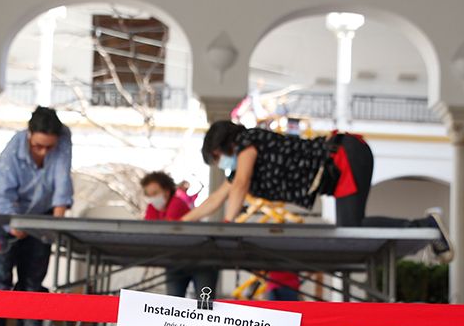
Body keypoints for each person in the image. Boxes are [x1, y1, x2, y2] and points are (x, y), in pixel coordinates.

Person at [0, 107, 73, 326]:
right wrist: (14, 223)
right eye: (38, 146)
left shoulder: (63, 140)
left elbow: (61, 181)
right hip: (3, 215)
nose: (44, 152)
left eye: (49, 148)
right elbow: (1, 195)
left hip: (40, 215)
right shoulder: (12, 151)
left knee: (33, 281)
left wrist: (56, 223)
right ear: (29, 135)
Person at [182, 121, 374, 226]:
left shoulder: (246, 141)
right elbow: (217, 197)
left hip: (343, 157)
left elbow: (241, 184)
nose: (221, 162)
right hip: (340, 163)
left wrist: (228, 222)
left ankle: (403, 229)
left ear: (224, 144)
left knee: (351, 229)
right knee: (350, 229)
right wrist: (181, 222)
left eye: (217, 156)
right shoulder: (243, 160)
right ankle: (402, 230)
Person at [141, 171, 218, 298]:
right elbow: (149, 231)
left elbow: (164, 231)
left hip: (202, 259)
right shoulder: (153, 207)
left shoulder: (177, 203)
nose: (152, 198)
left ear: (166, 191)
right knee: (173, 305)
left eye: (155, 193)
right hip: (175, 259)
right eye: (149, 195)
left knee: (204, 305)